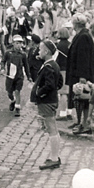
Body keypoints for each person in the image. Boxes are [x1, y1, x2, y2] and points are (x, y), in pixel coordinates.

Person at [30, 40, 63, 170]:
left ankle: (54, 158)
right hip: (51, 100)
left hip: (47, 101)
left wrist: (39, 92)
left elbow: (49, 85)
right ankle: (55, 156)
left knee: (51, 129)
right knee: (52, 127)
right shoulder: (54, 64)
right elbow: (59, 82)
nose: (38, 51)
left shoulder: (48, 66)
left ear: (46, 51)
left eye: (40, 49)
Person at [66, 13, 94, 135]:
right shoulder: (81, 35)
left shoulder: (83, 36)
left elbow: (84, 58)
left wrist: (82, 77)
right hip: (78, 73)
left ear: (75, 24)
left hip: (82, 74)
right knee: (78, 99)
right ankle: (80, 122)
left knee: (83, 99)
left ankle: (84, 124)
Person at [2, 35, 32, 117]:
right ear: (13, 43)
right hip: (10, 76)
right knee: (9, 92)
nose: (19, 45)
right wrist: (2, 68)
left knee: (17, 91)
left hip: (19, 76)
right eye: (17, 43)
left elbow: (26, 66)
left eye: (20, 43)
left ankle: (17, 108)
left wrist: (29, 76)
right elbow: (3, 61)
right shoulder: (8, 53)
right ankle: (13, 100)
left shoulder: (23, 54)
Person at [55, 27, 72, 121]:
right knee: (69, 93)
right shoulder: (70, 44)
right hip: (70, 70)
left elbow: (56, 59)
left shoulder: (58, 46)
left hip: (62, 70)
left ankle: (62, 113)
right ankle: (69, 112)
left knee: (63, 93)